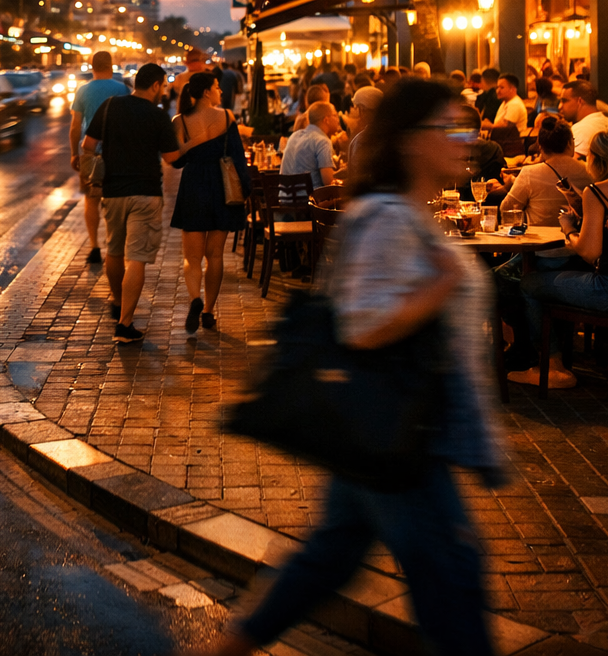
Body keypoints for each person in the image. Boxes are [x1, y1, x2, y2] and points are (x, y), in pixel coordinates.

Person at [200, 78, 500, 656]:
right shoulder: (387, 218)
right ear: (413, 141)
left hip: (381, 430)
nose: (468, 140)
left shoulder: (405, 215)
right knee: (454, 581)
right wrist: (440, 285)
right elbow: (362, 325)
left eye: (471, 128)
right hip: (403, 437)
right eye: (455, 128)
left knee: (329, 558)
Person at [513, 130, 608, 389]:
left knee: (529, 283)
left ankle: (550, 366)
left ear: (596, 160)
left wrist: (569, 228)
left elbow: (589, 252)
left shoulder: (598, 191)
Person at [81, 64, 204, 344]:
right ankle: (125, 325)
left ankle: (117, 301)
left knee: (113, 250)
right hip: (146, 194)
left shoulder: (110, 106)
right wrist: (192, 143)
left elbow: (88, 145)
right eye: (162, 86)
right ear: (157, 86)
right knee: (136, 258)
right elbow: (172, 158)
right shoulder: (158, 116)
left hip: (112, 192)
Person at [169, 72, 249, 335]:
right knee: (214, 255)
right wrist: (245, 193)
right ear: (206, 92)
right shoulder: (227, 117)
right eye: (217, 87)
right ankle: (208, 312)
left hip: (193, 186)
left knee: (191, 257)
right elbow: (238, 158)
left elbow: (177, 161)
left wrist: (193, 143)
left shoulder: (180, 120)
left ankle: (195, 298)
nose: (221, 91)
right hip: (220, 189)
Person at [69, 51, 131, 264]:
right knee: (116, 199)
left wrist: (74, 153)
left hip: (91, 151)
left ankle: (94, 245)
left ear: (92, 66)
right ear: (111, 66)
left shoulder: (83, 91)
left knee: (92, 199)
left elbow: (75, 125)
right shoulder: (122, 89)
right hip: (119, 151)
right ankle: (114, 244)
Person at [500, 118, 592, 226]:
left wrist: (525, 221)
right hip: (579, 238)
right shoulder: (588, 171)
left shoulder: (529, 173)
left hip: (539, 240)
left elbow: (506, 210)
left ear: (541, 147)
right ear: (569, 143)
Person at [280, 101, 340, 191]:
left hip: (285, 199)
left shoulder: (294, 136)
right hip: (310, 201)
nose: (338, 120)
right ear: (326, 120)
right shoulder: (322, 141)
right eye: (335, 115)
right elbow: (328, 182)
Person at [560, 79, 608, 159]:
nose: (559, 106)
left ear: (580, 101)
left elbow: (570, 167)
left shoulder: (581, 129)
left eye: (564, 101)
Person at [344, 86, 384, 168]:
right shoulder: (387, 130)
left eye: (355, 107)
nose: (351, 110)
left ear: (362, 109)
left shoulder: (363, 137)